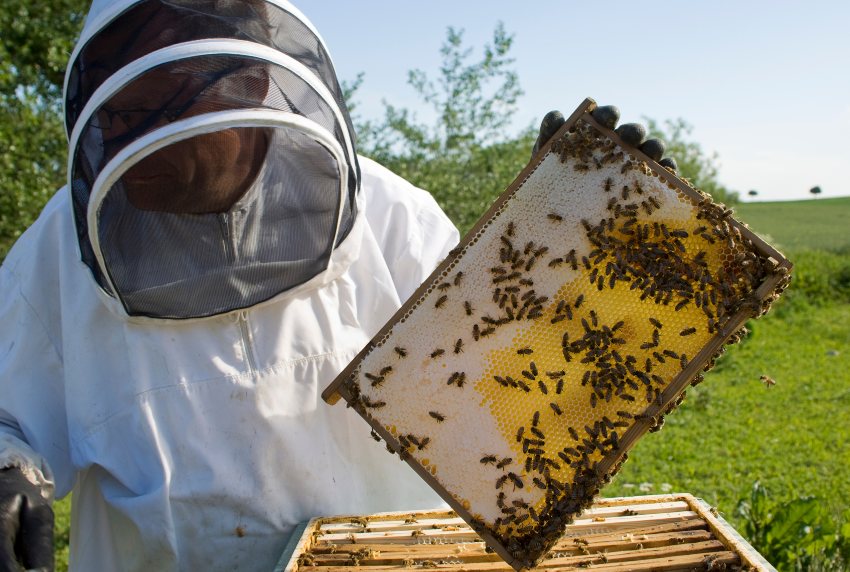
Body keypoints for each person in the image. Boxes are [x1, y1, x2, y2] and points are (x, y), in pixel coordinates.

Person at [0, 1, 670, 570]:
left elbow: (494, 412)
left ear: (255, 82)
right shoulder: (55, 255)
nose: (128, 146)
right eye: (116, 117)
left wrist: (565, 276)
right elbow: (8, 420)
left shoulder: (393, 217)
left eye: (157, 113)